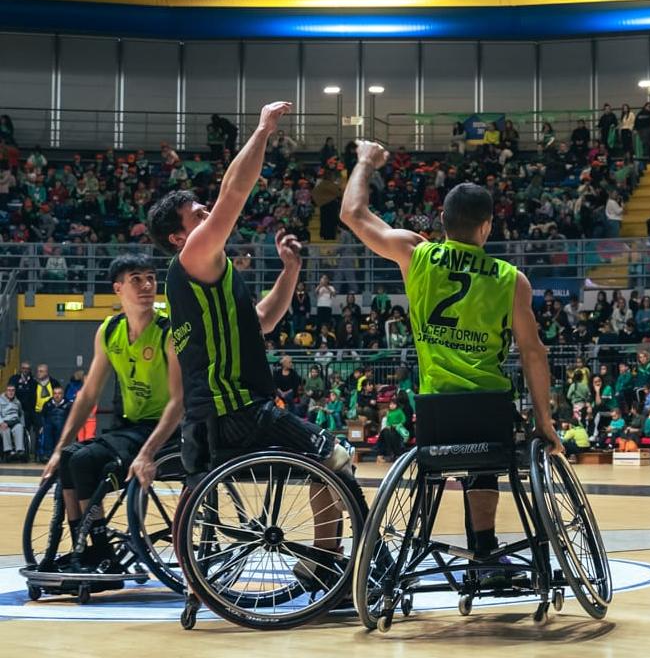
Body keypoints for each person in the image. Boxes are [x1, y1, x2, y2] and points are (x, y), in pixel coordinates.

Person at [339, 141, 562, 576]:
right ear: (487, 226)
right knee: (486, 466)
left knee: (434, 462)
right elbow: (533, 354)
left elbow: (353, 214)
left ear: (442, 220)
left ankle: (417, 546)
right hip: (489, 408)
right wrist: (545, 421)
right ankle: (485, 550)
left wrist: (365, 161)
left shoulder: (416, 254)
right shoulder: (511, 280)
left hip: (435, 409)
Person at [147, 101, 353, 495]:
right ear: (177, 237)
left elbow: (263, 321)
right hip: (237, 410)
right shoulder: (191, 256)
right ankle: (342, 534)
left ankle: (329, 535)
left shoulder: (208, 276)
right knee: (336, 458)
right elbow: (234, 192)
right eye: (198, 215)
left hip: (219, 415)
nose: (208, 214)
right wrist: (263, 130)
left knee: (323, 465)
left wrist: (290, 270)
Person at [39, 255, 183, 572]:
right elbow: (88, 394)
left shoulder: (168, 331)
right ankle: (85, 550)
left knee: (84, 461)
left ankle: (103, 553)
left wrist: (148, 452)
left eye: (151, 278)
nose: (146, 285)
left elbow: (179, 401)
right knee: (69, 457)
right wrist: (59, 447)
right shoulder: (109, 330)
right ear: (118, 288)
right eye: (136, 279)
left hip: (166, 431)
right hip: (128, 428)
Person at [1, 383, 26, 459]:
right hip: (4, 422)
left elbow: (21, 414)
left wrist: (23, 425)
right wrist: (1, 422)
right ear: (6, 391)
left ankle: (20, 451)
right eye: (9, 390)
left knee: (19, 427)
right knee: (5, 429)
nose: (11, 392)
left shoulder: (17, 402)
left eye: (13, 390)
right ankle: (8, 451)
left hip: (15, 422)